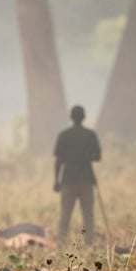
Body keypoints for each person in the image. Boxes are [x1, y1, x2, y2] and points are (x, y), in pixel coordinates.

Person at [53, 105, 101, 246]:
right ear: (84, 117)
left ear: (71, 117)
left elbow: (58, 160)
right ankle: (88, 244)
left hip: (68, 180)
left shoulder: (64, 135)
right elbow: (97, 156)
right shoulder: (90, 135)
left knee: (65, 215)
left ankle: (61, 244)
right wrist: (86, 156)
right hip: (86, 180)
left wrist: (56, 180)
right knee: (88, 216)